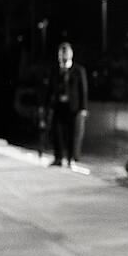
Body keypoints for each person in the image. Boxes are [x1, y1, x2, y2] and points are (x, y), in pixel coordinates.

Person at [43, 40, 87, 168]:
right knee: (56, 131)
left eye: (64, 55)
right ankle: (58, 157)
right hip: (58, 105)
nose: (61, 58)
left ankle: (71, 158)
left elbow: (83, 90)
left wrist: (83, 108)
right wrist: (46, 105)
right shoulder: (55, 70)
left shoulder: (78, 70)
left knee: (73, 133)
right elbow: (50, 89)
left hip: (73, 107)